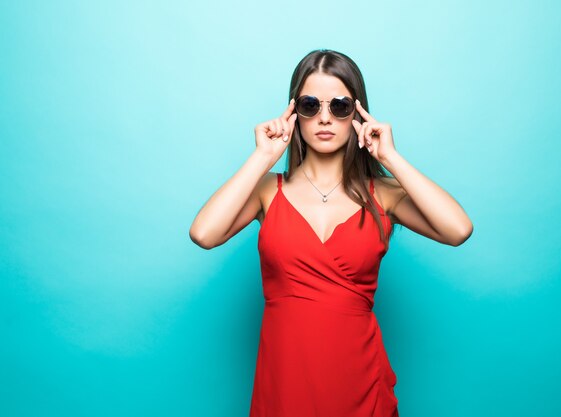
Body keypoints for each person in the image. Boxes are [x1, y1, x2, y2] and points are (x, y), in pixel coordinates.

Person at [189, 48, 473, 417]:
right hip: (285, 380)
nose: (324, 118)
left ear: (357, 113)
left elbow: (458, 229)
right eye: (310, 105)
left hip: (360, 379)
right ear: (294, 113)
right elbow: (204, 234)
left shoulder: (383, 194)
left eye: (339, 106)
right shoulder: (267, 191)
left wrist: (390, 158)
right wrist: (263, 156)